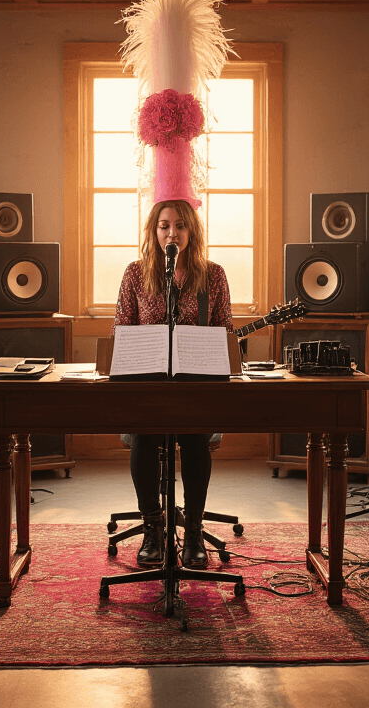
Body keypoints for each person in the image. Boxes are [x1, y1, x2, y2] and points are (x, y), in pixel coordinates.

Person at [113, 197, 232, 569]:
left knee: (195, 438)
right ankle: (153, 527)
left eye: (180, 225)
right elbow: (121, 331)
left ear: (190, 231)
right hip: (148, 390)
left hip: (195, 390)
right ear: (154, 231)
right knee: (145, 437)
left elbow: (227, 331)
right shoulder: (135, 273)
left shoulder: (213, 275)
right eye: (164, 226)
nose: (172, 232)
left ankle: (193, 532)